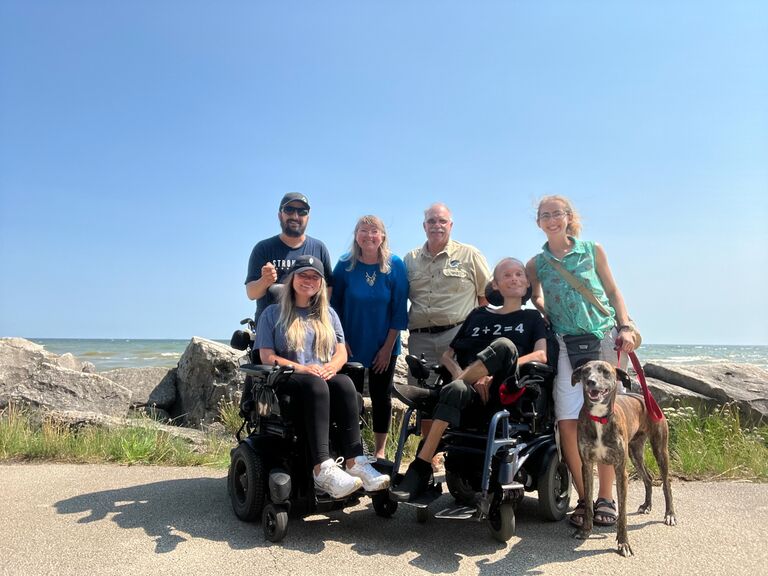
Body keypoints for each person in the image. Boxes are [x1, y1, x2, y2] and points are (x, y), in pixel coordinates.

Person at [391, 258, 548, 501]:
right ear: (495, 285)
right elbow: (447, 355)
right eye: (507, 275)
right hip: (469, 392)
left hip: (505, 389)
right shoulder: (477, 315)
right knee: (456, 389)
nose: (514, 278)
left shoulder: (531, 319)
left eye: (519, 274)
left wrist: (489, 374)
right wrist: (460, 376)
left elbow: (541, 355)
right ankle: (420, 468)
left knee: (504, 346)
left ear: (528, 282)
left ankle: (435, 396)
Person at [525, 195, 639, 528]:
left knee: (605, 418)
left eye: (557, 214)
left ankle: (606, 497)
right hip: (564, 342)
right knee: (567, 419)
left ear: (569, 217)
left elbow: (613, 290)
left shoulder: (592, 250)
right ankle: (584, 497)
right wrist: (545, 310)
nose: (551, 220)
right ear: (538, 222)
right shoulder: (537, 264)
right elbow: (535, 294)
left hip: (602, 336)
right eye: (545, 216)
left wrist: (626, 325)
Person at [255, 254, 390, 498]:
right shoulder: (272, 314)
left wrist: (333, 367)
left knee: (346, 383)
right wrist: (304, 369)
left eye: (314, 277)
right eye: (303, 275)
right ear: (292, 278)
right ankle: (322, 469)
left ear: (320, 283)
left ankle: (355, 462)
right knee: (317, 385)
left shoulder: (328, 314)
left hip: (321, 376)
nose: (308, 280)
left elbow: (340, 352)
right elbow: (267, 357)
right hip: (288, 379)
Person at [403, 203, 491, 441]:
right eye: (431, 221)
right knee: (425, 397)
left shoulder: (469, 255)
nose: (436, 226)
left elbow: (486, 298)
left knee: (463, 392)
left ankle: (461, 447)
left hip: (458, 336)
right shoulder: (409, 260)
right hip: (420, 337)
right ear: (424, 226)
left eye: (442, 221)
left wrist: (483, 340)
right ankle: (430, 455)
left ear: (451, 225)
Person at [330, 215, 409, 459]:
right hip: (350, 344)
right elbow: (334, 307)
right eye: (363, 231)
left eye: (374, 231)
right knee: (348, 397)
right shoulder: (345, 265)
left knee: (381, 396)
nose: (369, 235)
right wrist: (341, 342)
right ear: (356, 236)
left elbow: (398, 310)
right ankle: (349, 448)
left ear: (382, 236)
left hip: (384, 344)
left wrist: (387, 349)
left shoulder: (395, 265)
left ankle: (380, 451)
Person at [245, 193, 333, 323]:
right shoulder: (263, 248)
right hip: (269, 328)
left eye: (302, 211)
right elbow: (251, 293)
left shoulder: (319, 248)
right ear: (280, 215)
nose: (295, 216)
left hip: (308, 329)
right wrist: (265, 280)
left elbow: (327, 290)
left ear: (308, 218)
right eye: (289, 210)